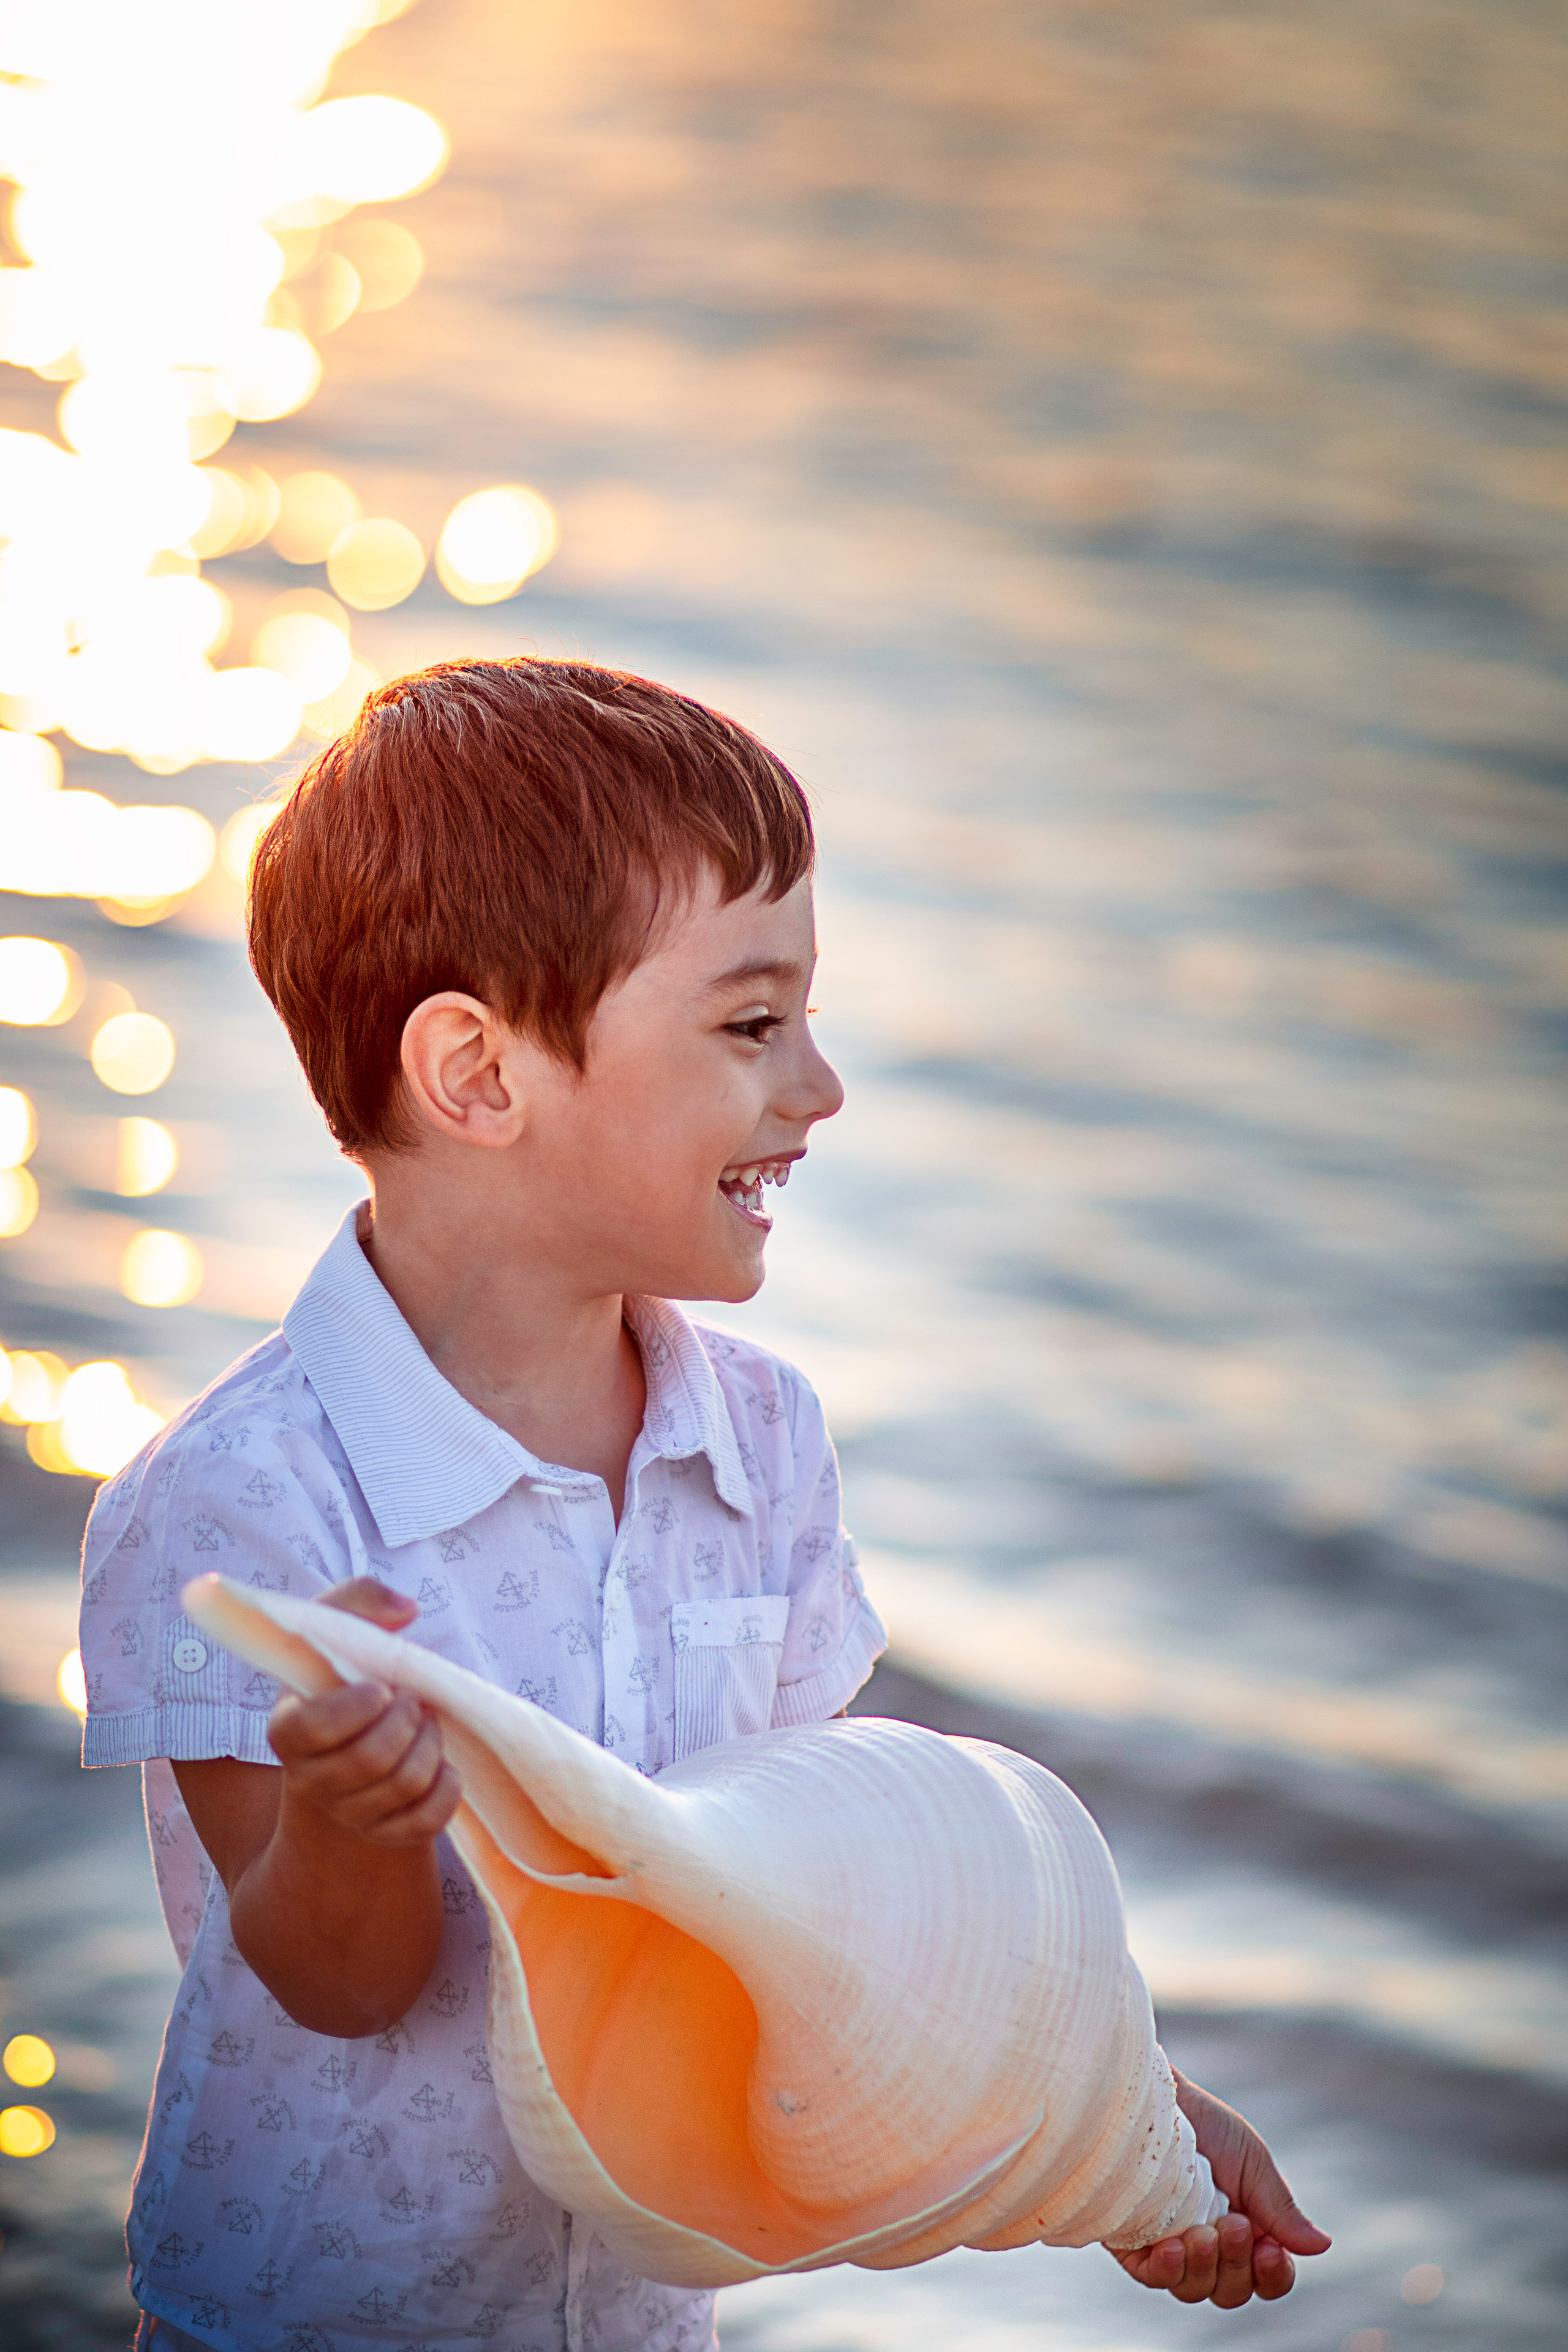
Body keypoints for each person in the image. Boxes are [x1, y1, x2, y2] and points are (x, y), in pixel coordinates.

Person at [79, 658, 1329, 2351]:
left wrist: (1129, 2116)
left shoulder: (761, 1447)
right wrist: (349, 1823)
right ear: (479, 1076)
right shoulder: (244, 1506)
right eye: (752, 1025)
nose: (818, 1088)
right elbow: (338, 1988)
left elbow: (839, 1912)